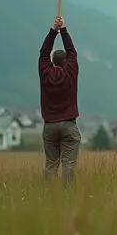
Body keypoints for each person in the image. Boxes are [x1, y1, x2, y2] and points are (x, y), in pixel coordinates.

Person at [38, 16, 81, 182]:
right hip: (69, 124)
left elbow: (43, 52)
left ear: (52, 62)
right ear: (66, 62)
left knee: (51, 164)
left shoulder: (45, 73)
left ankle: (50, 193)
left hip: (49, 125)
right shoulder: (71, 72)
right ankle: (67, 193)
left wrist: (53, 31)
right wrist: (63, 30)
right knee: (68, 164)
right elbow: (72, 51)